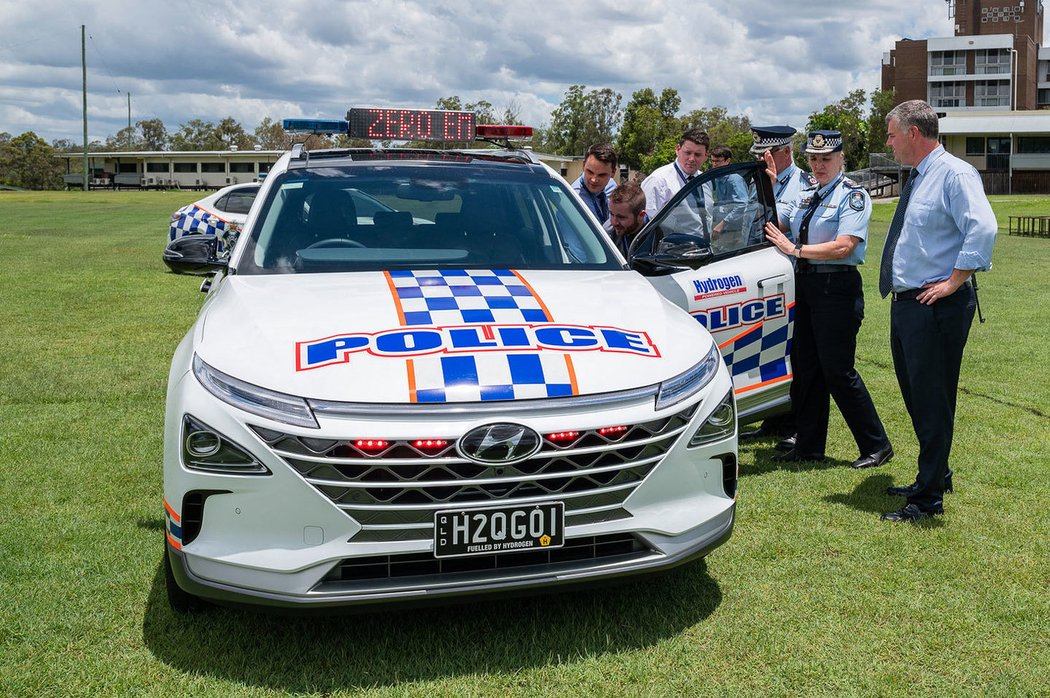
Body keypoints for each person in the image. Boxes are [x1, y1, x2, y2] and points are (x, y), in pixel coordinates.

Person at [879, 100, 997, 523]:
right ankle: (935, 471)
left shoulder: (954, 173)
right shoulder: (919, 178)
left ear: (913, 133)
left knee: (931, 399)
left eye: (892, 134)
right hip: (908, 303)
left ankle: (928, 499)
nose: (888, 142)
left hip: (936, 306)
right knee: (918, 395)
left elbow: (983, 227)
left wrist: (953, 280)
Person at [763, 130, 894, 471]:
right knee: (806, 368)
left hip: (837, 288)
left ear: (840, 159)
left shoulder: (853, 196)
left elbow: (844, 245)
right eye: (814, 159)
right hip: (806, 286)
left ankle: (876, 445)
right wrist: (770, 187)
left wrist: (796, 250)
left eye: (826, 159)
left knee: (837, 370)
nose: (819, 165)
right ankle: (809, 444)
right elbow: (781, 224)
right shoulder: (808, 194)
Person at [740, 125, 816, 447]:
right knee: (773, 349)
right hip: (764, 280)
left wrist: (766, 188)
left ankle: (797, 423)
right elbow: (743, 224)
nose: (761, 161)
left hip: (794, 280)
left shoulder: (802, 184)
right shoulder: (761, 182)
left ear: (784, 152)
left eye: (765, 155)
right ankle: (774, 419)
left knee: (797, 354)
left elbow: (777, 225)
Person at [641, 128, 712, 222]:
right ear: (678, 149)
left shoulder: (706, 180)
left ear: (705, 156)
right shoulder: (658, 181)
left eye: (697, 155)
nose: (692, 159)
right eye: (688, 153)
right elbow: (647, 223)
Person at [708, 146, 749, 251]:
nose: (714, 164)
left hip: (735, 230)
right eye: (712, 161)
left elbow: (742, 205)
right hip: (724, 229)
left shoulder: (734, 180)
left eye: (718, 161)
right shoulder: (718, 178)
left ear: (727, 161)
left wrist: (722, 224)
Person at [570, 143, 618, 226]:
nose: (594, 180)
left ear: (613, 172)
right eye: (590, 172)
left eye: (601, 175)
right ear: (584, 165)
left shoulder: (611, 186)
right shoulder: (574, 200)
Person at [607, 181, 647, 256]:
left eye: (621, 217)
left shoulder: (659, 236)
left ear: (641, 215)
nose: (614, 222)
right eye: (611, 214)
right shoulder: (607, 235)